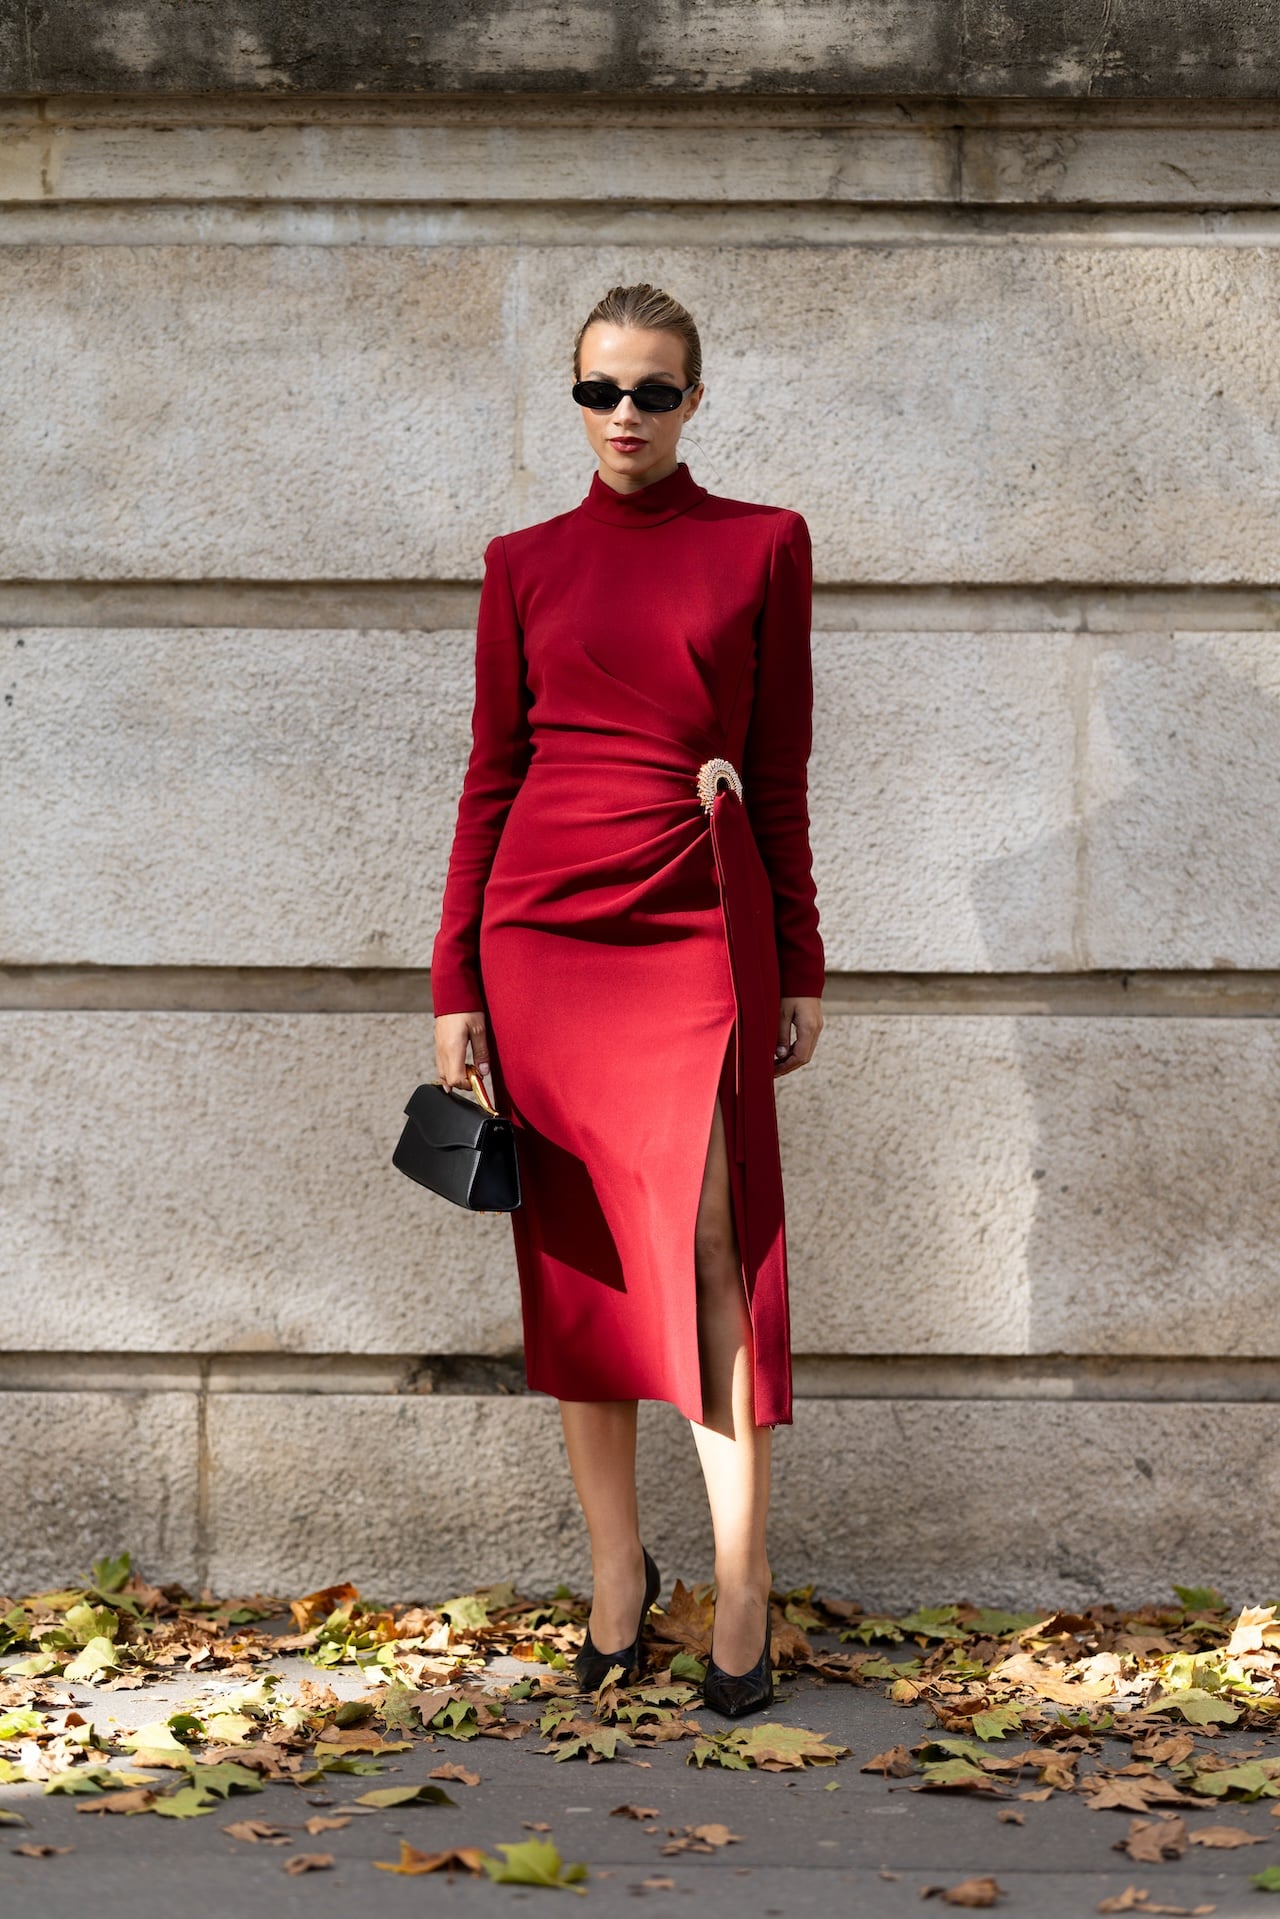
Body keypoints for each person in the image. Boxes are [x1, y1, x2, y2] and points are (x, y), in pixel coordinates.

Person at [431, 282, 824, 1719]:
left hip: (690, 921)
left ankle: (741, 1581)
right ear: (574, 396)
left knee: (713, 1243)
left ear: (695, 401)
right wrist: (453, 977)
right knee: (580, 1257)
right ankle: (615, 1573)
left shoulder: (761, 546)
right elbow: (490, 777)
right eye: (600, 391)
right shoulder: (521, 562)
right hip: (541, 931)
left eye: (654, 393)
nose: (624, 419)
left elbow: (777, 774)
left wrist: (804, 955)